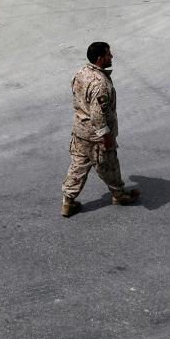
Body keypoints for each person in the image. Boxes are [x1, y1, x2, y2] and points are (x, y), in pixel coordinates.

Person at [61, 42, 140, 217]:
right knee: (109, 166)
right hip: (97, 138)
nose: (111, 57)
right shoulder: (100, 84)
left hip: (80, 133)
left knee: (77, 168)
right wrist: (106, 137)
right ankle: (119, 195)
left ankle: (68, 202)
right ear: (99, 59)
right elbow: (98, 115)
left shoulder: (81, 72)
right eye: (108, 54)